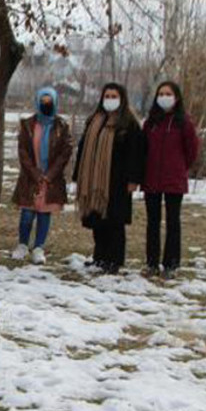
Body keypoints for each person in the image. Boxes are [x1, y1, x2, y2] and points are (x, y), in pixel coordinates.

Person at [73, 83, 144, 275]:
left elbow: (136, 154)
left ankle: (114, 260)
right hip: (94, 180)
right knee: (97, 220)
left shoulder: (129, 124)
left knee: (115, 222)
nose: (110, 100)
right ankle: (100, 257)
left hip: (118, 181)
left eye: (114, 97)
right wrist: (78, 175)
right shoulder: (94, 120)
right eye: (107, 96)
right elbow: (83, 148)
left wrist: (133, 179)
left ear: (122, 99)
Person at [142, 81, 199, 279]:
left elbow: (192, 150)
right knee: (152, 222)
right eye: (161, 93)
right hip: (151, 179)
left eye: (168, 94)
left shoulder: (184, 122)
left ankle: (171, 264)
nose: (164, 97)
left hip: (174, 180)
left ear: (176, 97)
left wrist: (180, 167)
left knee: (173, 222)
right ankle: (151, 263)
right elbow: (143, 148)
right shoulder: (151, 122)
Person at [11, 87, 73, 264]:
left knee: (44, 214)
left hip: (51, 179)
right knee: (27, 214)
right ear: (38, 102)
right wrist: (35, 173)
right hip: (30, 177)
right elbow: (23, 151)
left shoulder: (61, 126)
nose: (46, 104)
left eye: (49, 101)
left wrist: (49, 175)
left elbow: (65, 152)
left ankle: (38, 248)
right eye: (43, 101)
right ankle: (22, 245)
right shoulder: (28, 125)